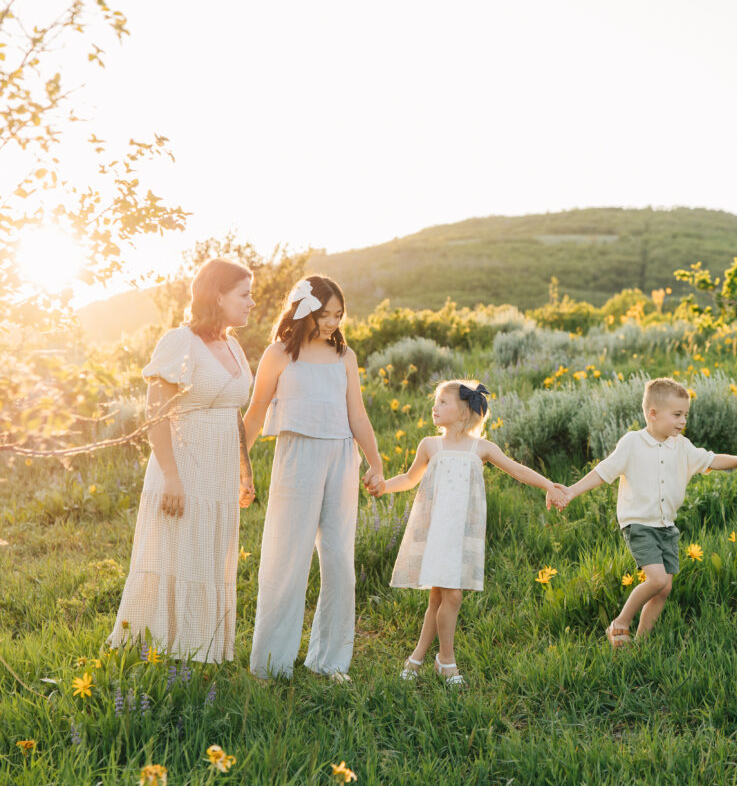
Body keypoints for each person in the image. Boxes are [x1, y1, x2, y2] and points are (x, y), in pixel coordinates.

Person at [108, 258, 257, 663]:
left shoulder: (233, 345)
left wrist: (244, 469)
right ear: (218, 295)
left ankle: (199, 649)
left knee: (208, 556)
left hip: (218, 473)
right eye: (244, 294)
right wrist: (172, 477)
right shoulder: (180, 342)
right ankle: (159, 652)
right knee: (176, 554)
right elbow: (155, 414)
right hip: (183, 469)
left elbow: (233, 414)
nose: (252, 302)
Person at [374, 380, 566, 686]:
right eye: (435, 402)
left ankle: (418, 658)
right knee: (449, 594)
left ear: (464, 413)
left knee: (441, 596)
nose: (434, 408)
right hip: (436, 530)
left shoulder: (482, 448)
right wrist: (384, 486)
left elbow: (516, 469)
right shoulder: (429, 445)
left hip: (462, 534)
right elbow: (410, 478)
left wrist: (548, 485)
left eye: (443, 402)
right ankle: (445, 661)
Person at [242, 275, 385, 681]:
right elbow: (254, 413)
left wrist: (374, 463)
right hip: (298, 456)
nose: (332, 323)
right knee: (287, 557)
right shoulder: (279, 354)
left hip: (342, 456)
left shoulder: (345, 355)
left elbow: (357, 414)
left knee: (339, 558)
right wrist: (239, 465)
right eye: (325, 315)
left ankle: (330, 660)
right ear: (304, 310)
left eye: (339, 315)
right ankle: (272, 664)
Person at [559, 377, 737, 647]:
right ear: (652, 414)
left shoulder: (682, 446)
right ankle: (620, 623)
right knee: (657, 579)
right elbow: (603, 472)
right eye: (676, 414)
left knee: (664, 588)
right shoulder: (632, 443)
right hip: (639, 524)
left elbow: (711, 459)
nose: (682, 420)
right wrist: (571, 491)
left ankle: (641, 642)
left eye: (685, 414)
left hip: (667, 526)